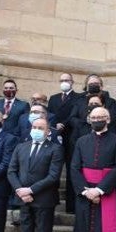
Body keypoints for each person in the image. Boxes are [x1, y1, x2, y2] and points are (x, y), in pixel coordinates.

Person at [7, 118, 64, 232]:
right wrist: (20, 190)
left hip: (44, 199)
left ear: (48, 131)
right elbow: (12, 171)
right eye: (34, 127)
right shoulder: (21, 147)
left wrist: (31, 190)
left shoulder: (55, 149)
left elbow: (53, 176)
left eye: (41, 127)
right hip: (23, 198)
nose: (37, 130)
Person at [48, 73, 82, 214]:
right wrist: (56, 125)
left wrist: (64, 124)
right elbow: (49, 115)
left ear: (72, 82)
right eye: (62, 80)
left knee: (70, 170)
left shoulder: (78, 97)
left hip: (71, 136)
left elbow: (76, 115)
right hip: (55, 136)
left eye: (67, 80)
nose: (64, 82)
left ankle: (71, 206)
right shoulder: (54, 98)